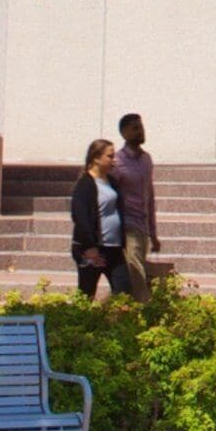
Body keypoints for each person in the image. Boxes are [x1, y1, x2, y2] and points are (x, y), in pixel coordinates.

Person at [70, 138, 143, 300]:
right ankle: (81, 323)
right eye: (109, 156)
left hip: (113, 248)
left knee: (124, 292)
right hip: (93, 249)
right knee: (86, 293)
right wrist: (89, 246)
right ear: (96, 158)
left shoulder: (111, 181)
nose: (114, 160)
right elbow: (80, 217)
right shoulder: (85, 184)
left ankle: (117, 323)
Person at [111, 113, 159, 289]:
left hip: (142, 226)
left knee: (134, 273)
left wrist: (153, 233)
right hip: (127, 227)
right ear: (124, 133)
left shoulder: (146, 159)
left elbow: (150, 197)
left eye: (141, 127)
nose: (140, 132)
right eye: (135, 128)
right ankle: (141, 309)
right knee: (136, 272)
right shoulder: (117, 162)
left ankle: (126, 309)